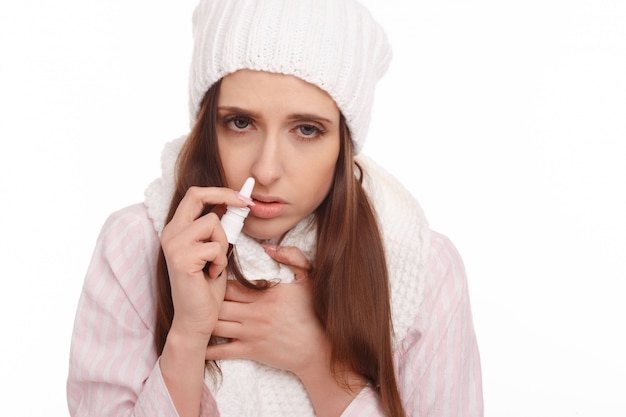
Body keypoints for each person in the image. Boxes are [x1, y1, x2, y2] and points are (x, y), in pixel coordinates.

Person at [66, 0, 484, 416]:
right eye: (240, 123)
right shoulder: (134, 244)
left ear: (344, 142)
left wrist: (319, 364)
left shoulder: (422, 268)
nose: (266, 171)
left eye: (306, 129)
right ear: (207, 125)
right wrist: (188, 337)